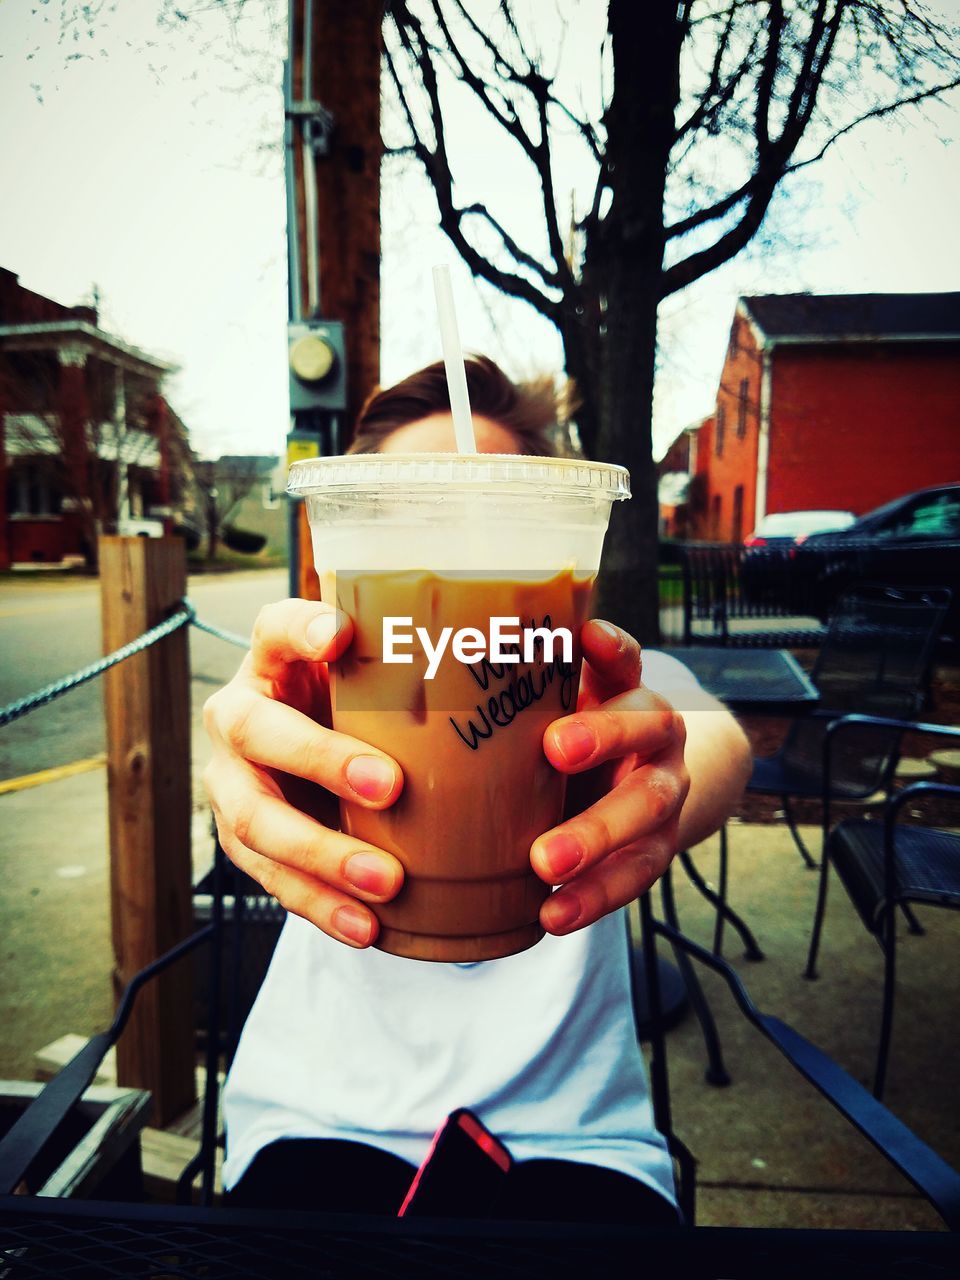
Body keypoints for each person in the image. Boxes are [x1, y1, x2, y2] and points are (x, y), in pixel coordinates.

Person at [203, 356, 752, 1223]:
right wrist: (237, 759)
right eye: (414, 516)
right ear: (333, 552)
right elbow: (242, 730)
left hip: (575, 1143)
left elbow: (710, 737)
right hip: (313, 1125)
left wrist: (657, 774)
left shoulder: (607, 684)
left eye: (491, 514)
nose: (453, 543)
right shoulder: (309, 698)